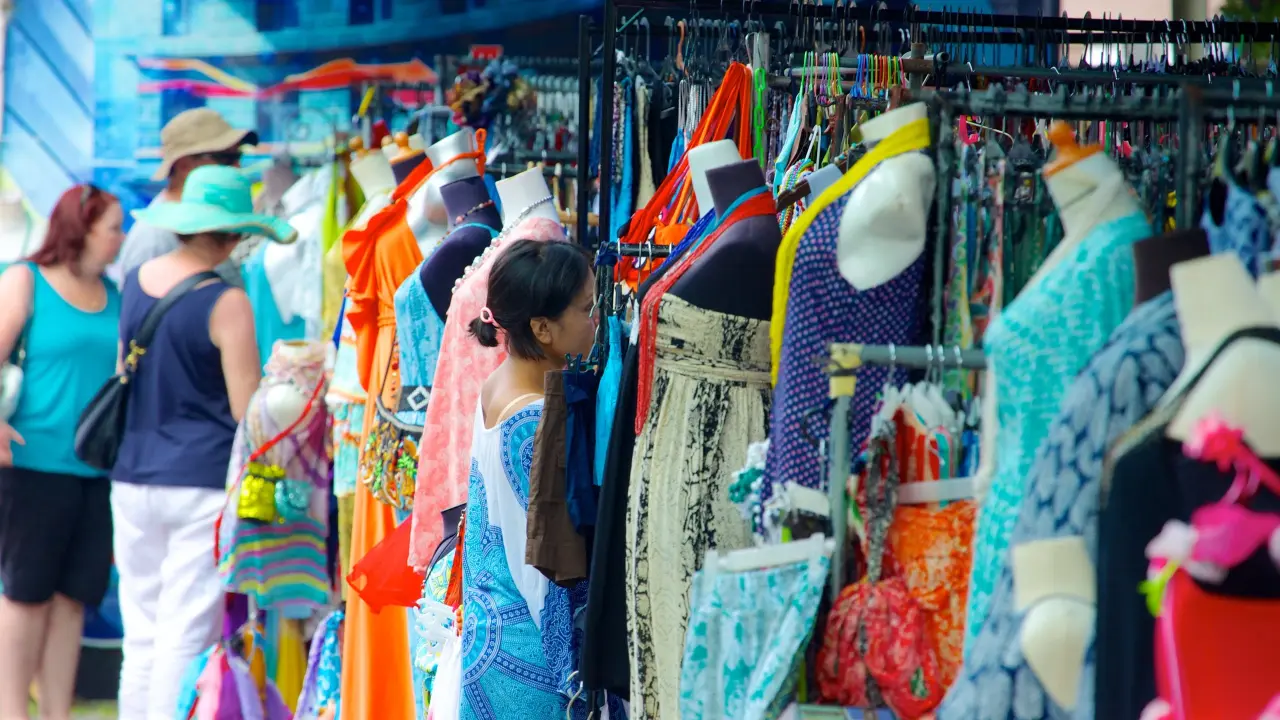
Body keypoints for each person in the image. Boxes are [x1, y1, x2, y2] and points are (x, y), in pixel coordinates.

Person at [110, 164, 296, 720]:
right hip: (201, 483)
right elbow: (248, 412)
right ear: (233, 234)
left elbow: (124, 373)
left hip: (132, 475)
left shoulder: (136, 281)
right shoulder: (226, 301)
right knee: (185, 633)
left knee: (140, 632)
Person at [457, 239, 598, 718]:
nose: (597, 318)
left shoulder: (501, 381)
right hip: (526, 649)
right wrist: (572, 670)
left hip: (490, 629)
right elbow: (539, 563)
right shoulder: (536, 418)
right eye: (587, 309)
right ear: (542, 327)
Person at [0, 185, 125, 720]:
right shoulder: (25, 280)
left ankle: (55, 711)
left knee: (74, 598)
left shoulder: (114, 293)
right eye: (114, 226)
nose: (121, 238)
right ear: (83, 226)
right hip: (32, 467)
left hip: (94, 470)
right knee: (26, 596)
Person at [109, 108, 258, 287]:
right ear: (185, 165)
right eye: (225, 158)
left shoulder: (208, 222)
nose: (237, 167)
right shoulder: (154, 238)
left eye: (238, 156)